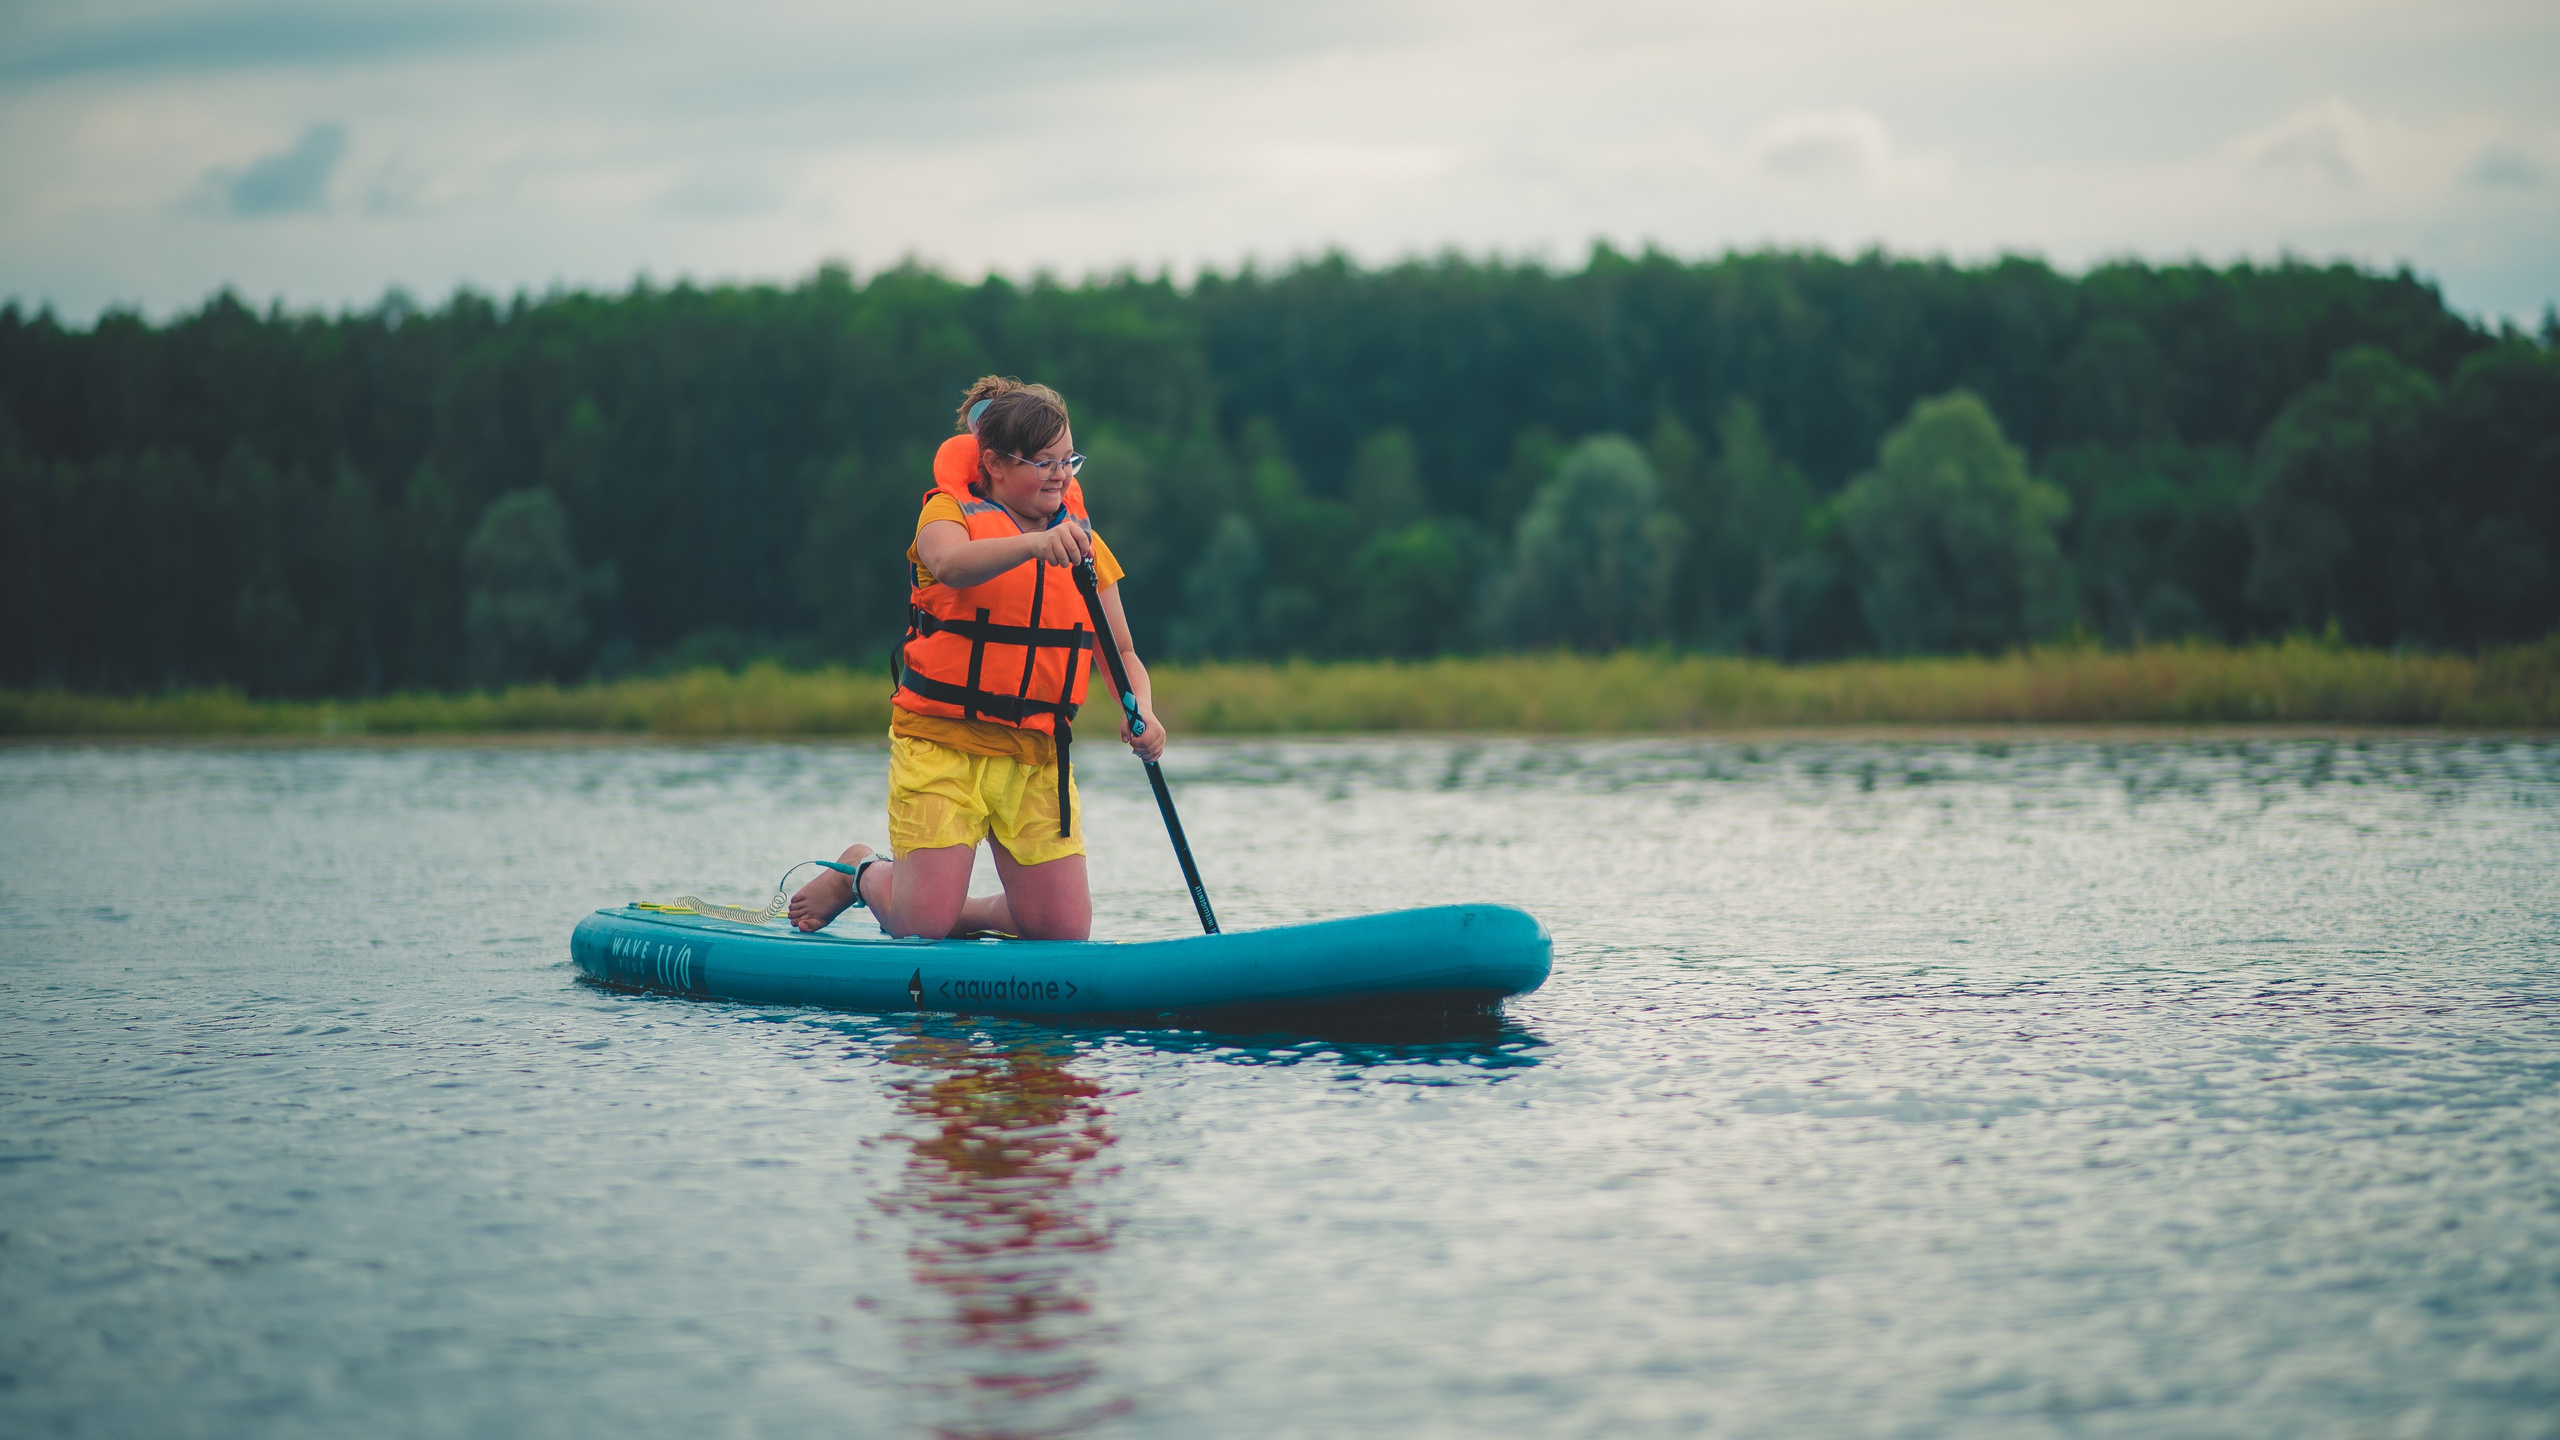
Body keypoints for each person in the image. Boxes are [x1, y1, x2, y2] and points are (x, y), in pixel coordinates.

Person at [786, 377, 1165, 940]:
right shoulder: (947, 513)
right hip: (943, 744)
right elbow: (950, 565)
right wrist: (1034, 545)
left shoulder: (1082, 540)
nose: (1061, 475)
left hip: (1036, 755)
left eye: (1068, 461)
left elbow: (1121, 650)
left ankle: (956, 912)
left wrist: (1144, 711)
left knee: (1061, 933)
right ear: (994, 463)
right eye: (1043, 463)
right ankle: (860, 873)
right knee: (920, 926)